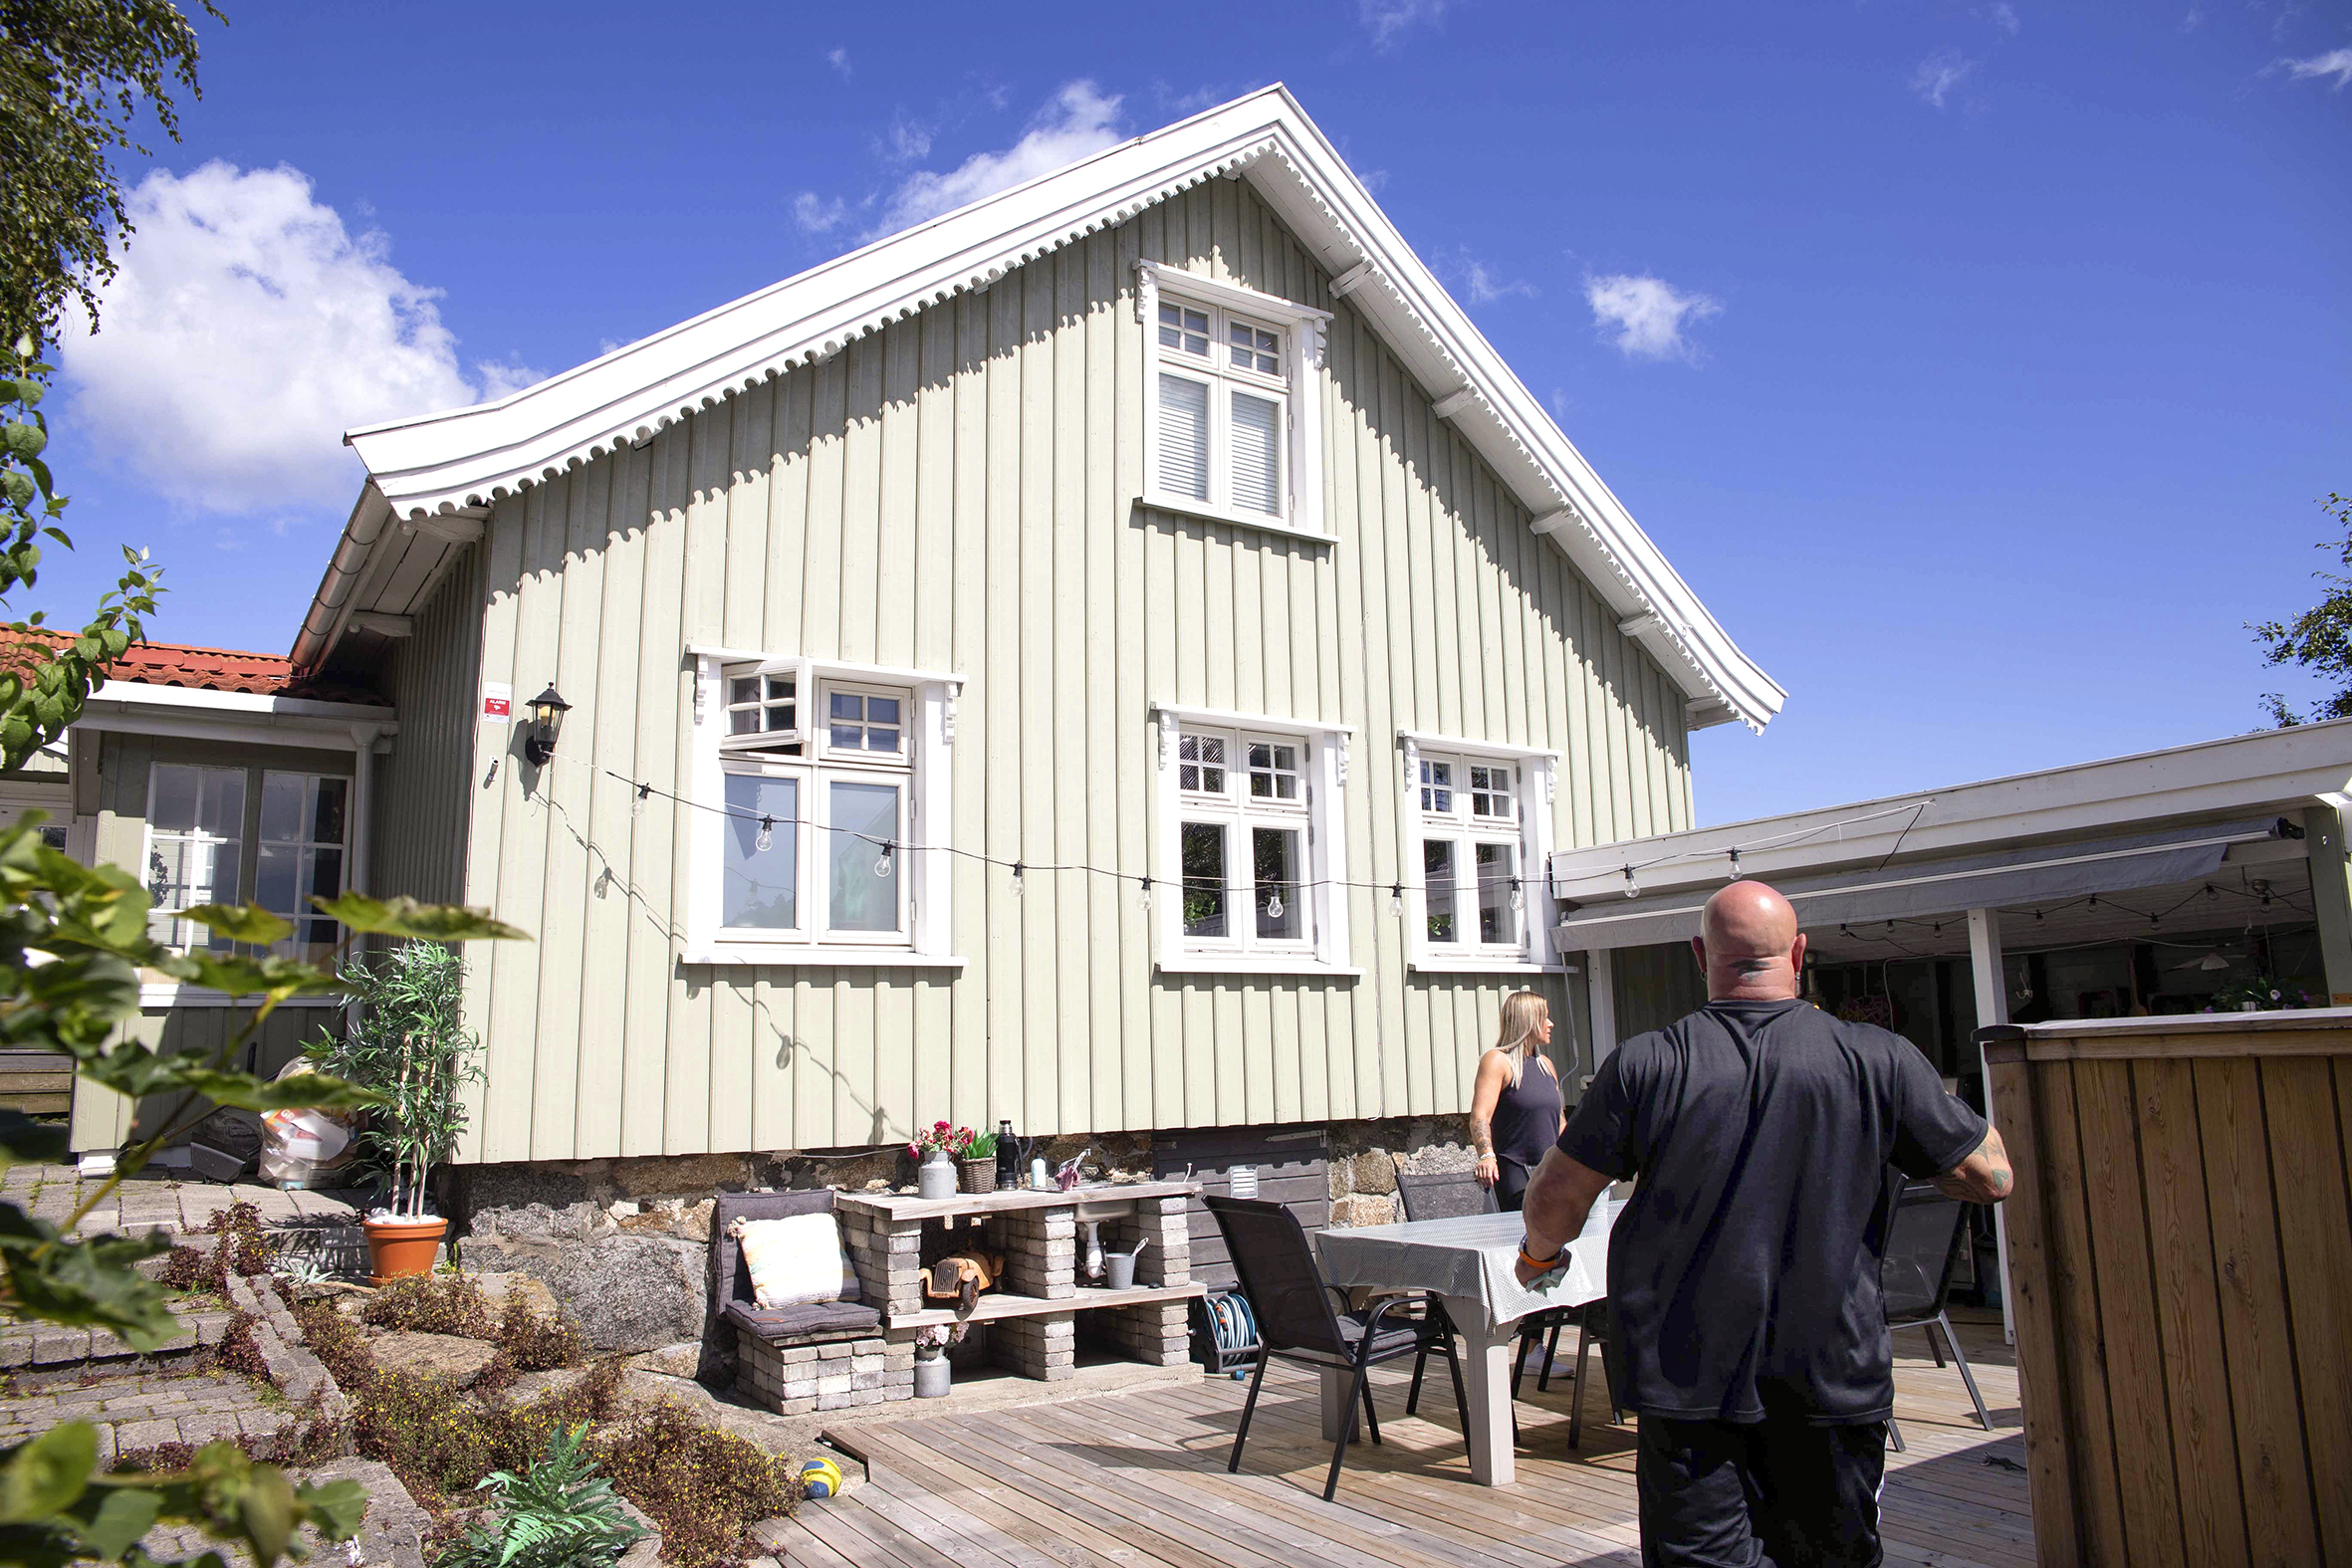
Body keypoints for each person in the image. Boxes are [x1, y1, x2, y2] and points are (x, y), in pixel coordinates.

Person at [1513, 880, 2012, 1568]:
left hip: (1687, 1382)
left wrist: (1539, 1258)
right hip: (1834, 1376)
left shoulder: (1647, 1063)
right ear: (1798, 952)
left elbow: (1553, 1199)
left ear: (1700, 955)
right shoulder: (1878, 1058)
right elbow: (1991, 1177)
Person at [1471, 991, 1566, 1211]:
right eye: (1545, 1017)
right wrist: (1486, 1156)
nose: (1550, 1024)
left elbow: (1560, 1121)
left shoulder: (1546, 1065)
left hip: (1550, 1171)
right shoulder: (1497, 1061)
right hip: (1515, 1172)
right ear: (1528, 1021)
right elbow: (1480, 1116)